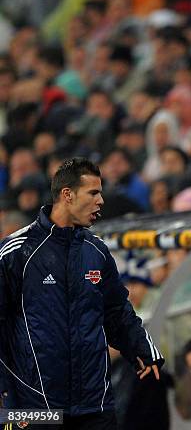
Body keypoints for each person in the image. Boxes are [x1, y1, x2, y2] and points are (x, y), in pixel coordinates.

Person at [0, 157, 164, 429]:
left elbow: (117, 312)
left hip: (94, 405)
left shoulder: (97, 251)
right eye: (93, 193)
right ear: (67, 195)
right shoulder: (16, 253)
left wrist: (143, 349)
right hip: (35, 409)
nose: (101, 201)